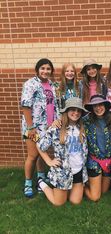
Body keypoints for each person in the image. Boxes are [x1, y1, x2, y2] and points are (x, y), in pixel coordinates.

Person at [36, 97, 88, 206]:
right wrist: (48, 161)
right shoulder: (56, 128)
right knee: (58, 203)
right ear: (66, 111)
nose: (76, 113)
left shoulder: (82, 127)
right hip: (62, 172)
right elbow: (40, 145)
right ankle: (41, 183)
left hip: (79, 171)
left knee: (75, 201)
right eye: (73, 109)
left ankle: (68, 188)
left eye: (79, 110)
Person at [21, 58, 60, 198]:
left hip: (47, 128)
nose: (45, 71)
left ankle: (41, 178)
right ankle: (27, 183)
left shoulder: (51, 84)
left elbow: (54, 105)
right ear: (37, 70)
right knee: (33, 155)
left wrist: (55, 121)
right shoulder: (30, 84)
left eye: (48, 69)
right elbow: (25, 106)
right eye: (42, 68)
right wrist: (31, 127)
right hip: (33, 128)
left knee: (41, 152)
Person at [83, 94, 111, 201]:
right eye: (95, 106)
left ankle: (93, 182)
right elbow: (70, 120)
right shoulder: (86, 120)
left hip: (108, 161)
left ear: (105, 106)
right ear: (92, 108)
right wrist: (58, 121)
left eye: (100, 105)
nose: (98, 108)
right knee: (95, 197)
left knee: (104, 191)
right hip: (94, 161)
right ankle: (80, 186)